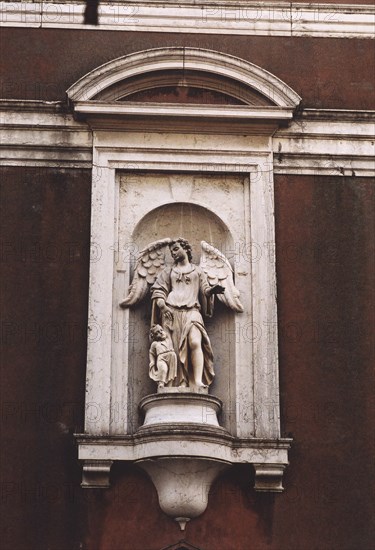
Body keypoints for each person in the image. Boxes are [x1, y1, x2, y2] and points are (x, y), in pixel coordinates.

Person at [151, 238, 225, 388]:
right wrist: (163, 306)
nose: (173, 253)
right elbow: (158, 291)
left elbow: (205, 289)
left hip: (192, 311)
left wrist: (212, 291)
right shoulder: (169, 271)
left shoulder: (197, 270)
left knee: (195, 342)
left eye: (176, 249)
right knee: (172, 349)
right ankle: (173, 384)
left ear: (186, 249)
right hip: (170, 312)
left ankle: (197, 381)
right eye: (171, 251)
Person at [148, 324, 177, 389]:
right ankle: (161, 383)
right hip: (161, 358)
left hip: (172, 357)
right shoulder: (155, 344)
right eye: (157, 332)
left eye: (161, 330)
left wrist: (170, 326)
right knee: (163, 369)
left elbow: (170, 330)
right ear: (154, 336)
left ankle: (170, 386)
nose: (160, 332)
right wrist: (152, 361)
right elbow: (151, 353)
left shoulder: (168, 338)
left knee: (171, 372)